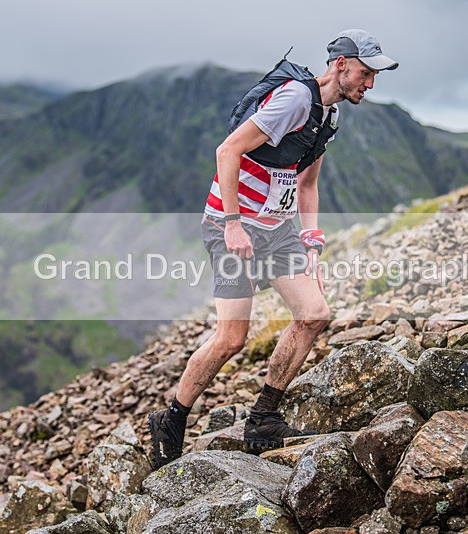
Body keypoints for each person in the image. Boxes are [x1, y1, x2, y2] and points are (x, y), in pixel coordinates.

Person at [148, 29, 398, 468]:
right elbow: (227, 151)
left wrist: (313, 242)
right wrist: (232, 224)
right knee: (231, 338)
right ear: (341, 65)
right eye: (366, 72)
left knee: (314, 314)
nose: (370, 83)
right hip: (234, 226)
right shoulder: (295, 101)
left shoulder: (330, 115)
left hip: (278, 231)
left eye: (375, 76)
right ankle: (172, 418)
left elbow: (307, 183)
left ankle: (263, 417)